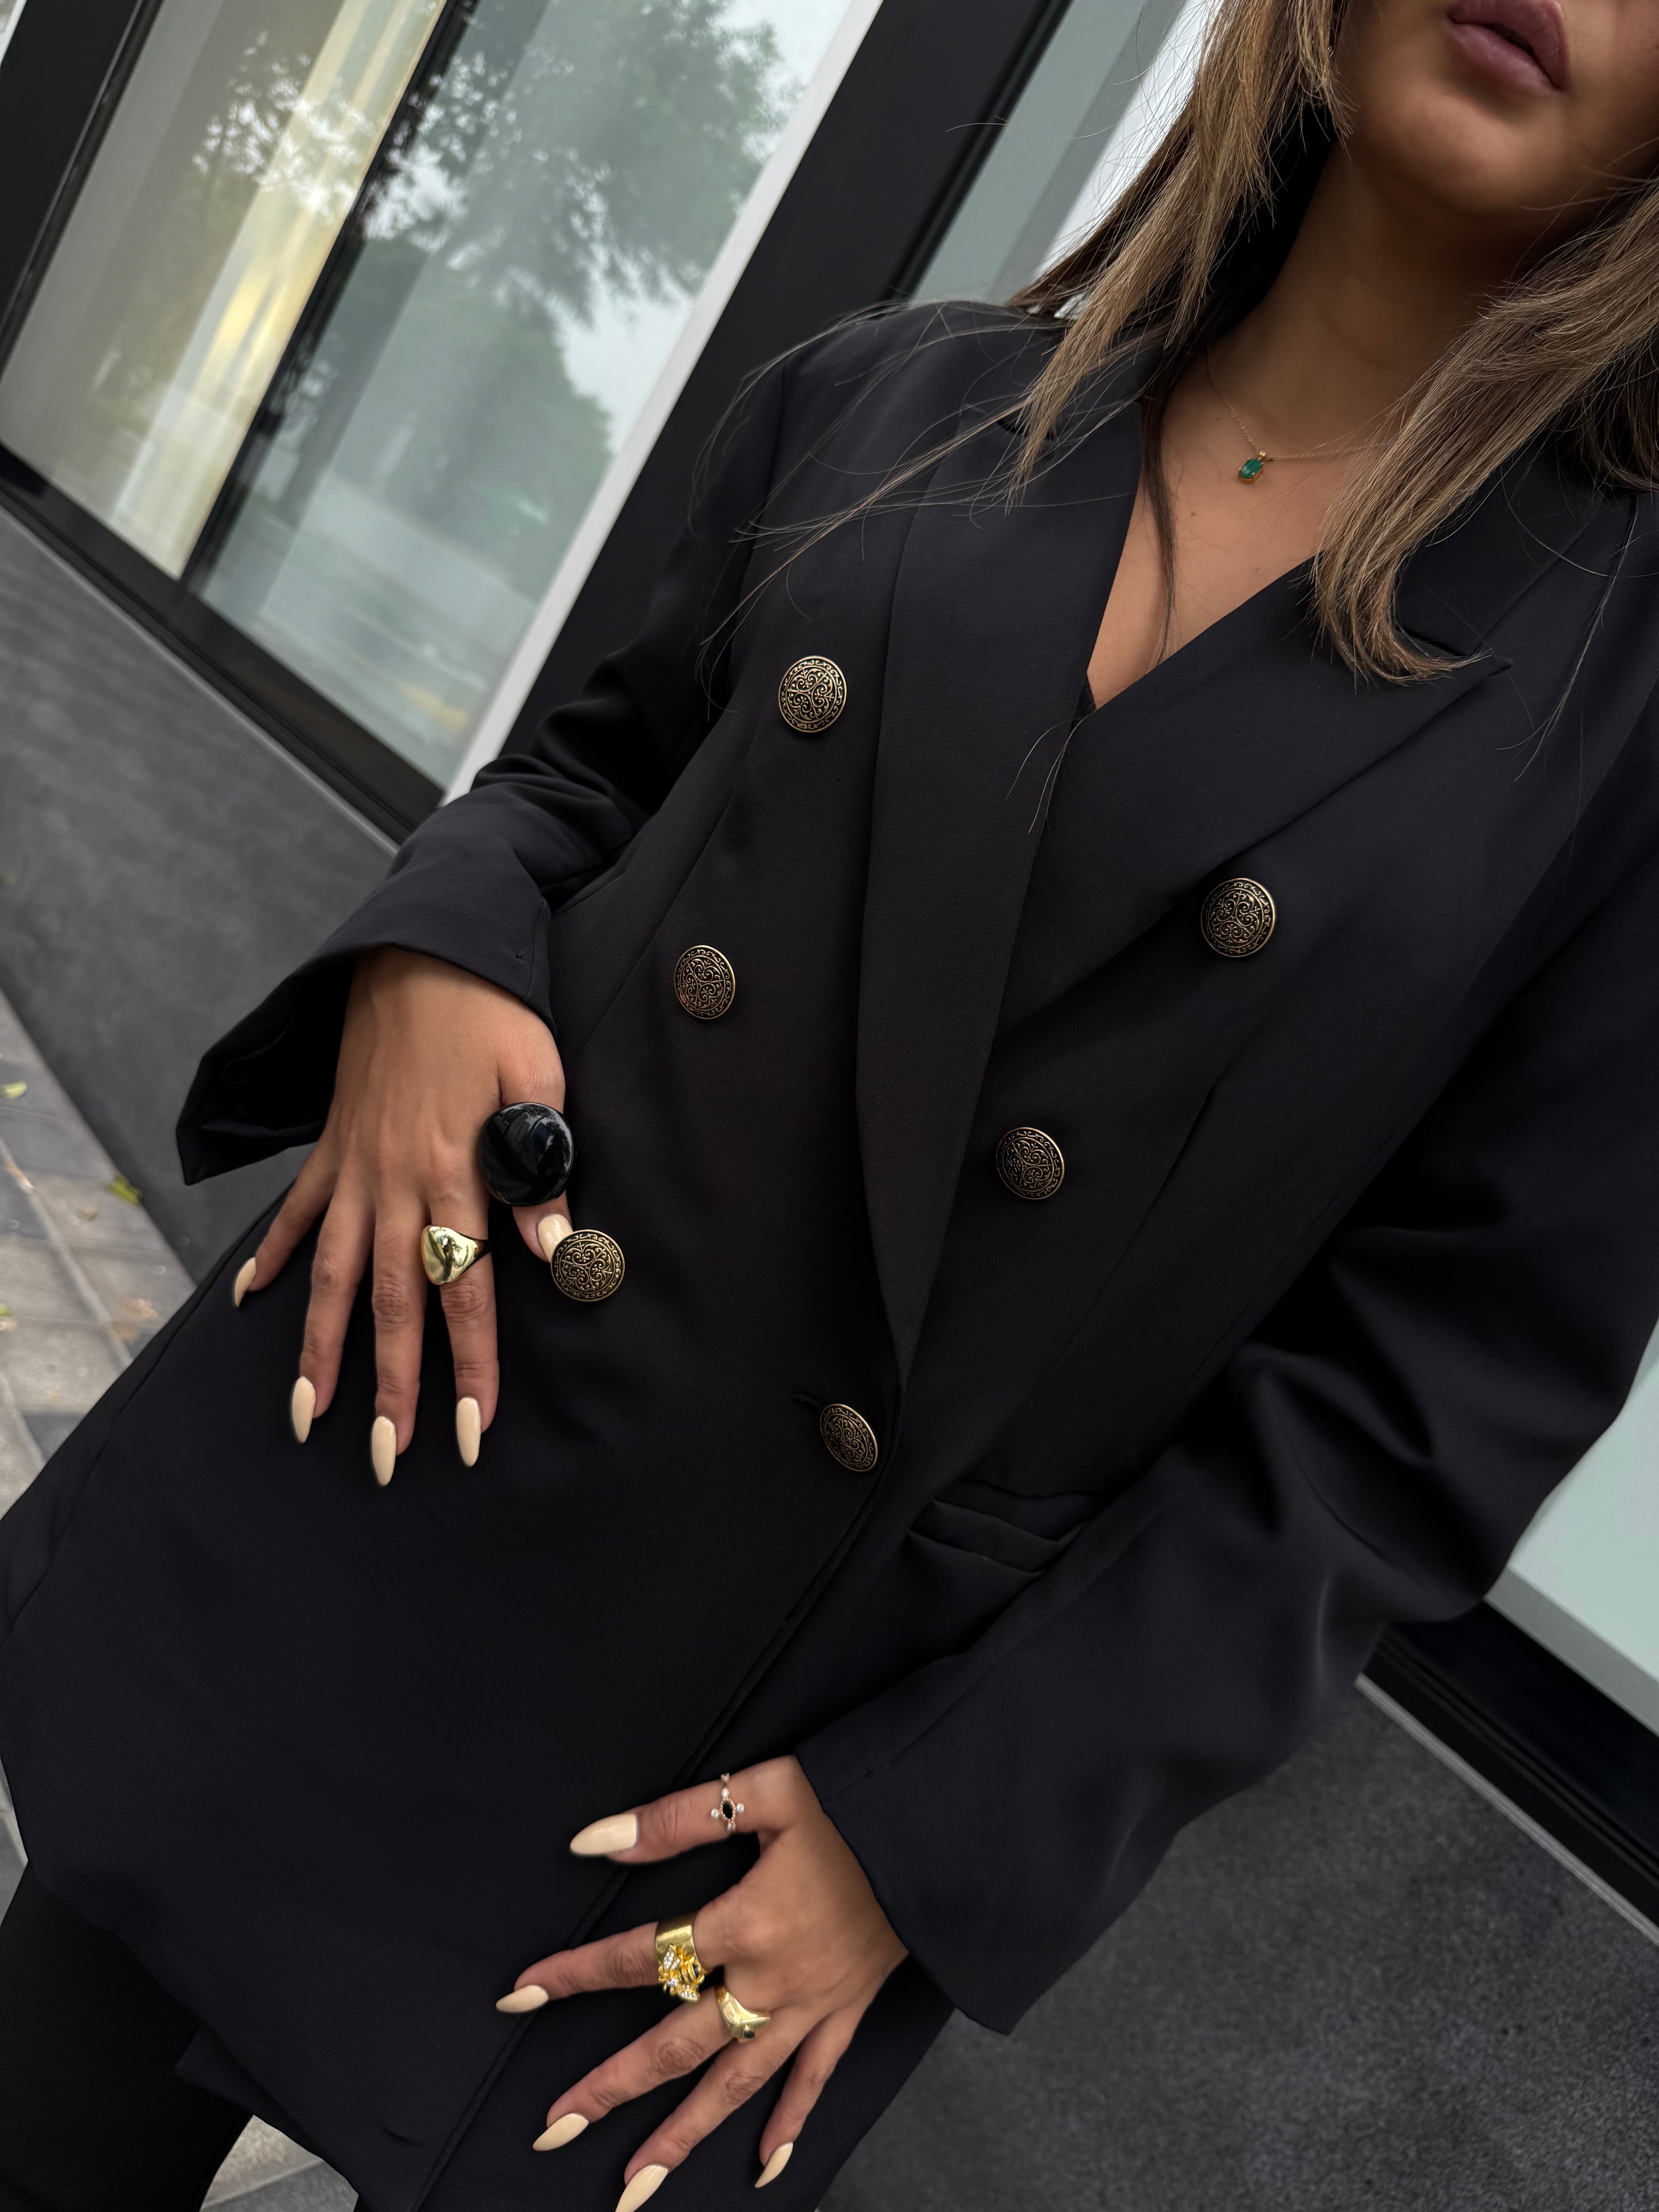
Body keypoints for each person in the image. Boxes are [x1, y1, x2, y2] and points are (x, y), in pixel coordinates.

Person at [3, 0, 1659, 2201]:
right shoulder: (908, 391)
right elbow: (584, 772)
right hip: (383, 1482)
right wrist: (435, 957)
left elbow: (1419, 1414)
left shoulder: (1619, 707)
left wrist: (939, 1830)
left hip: (754, 1768)